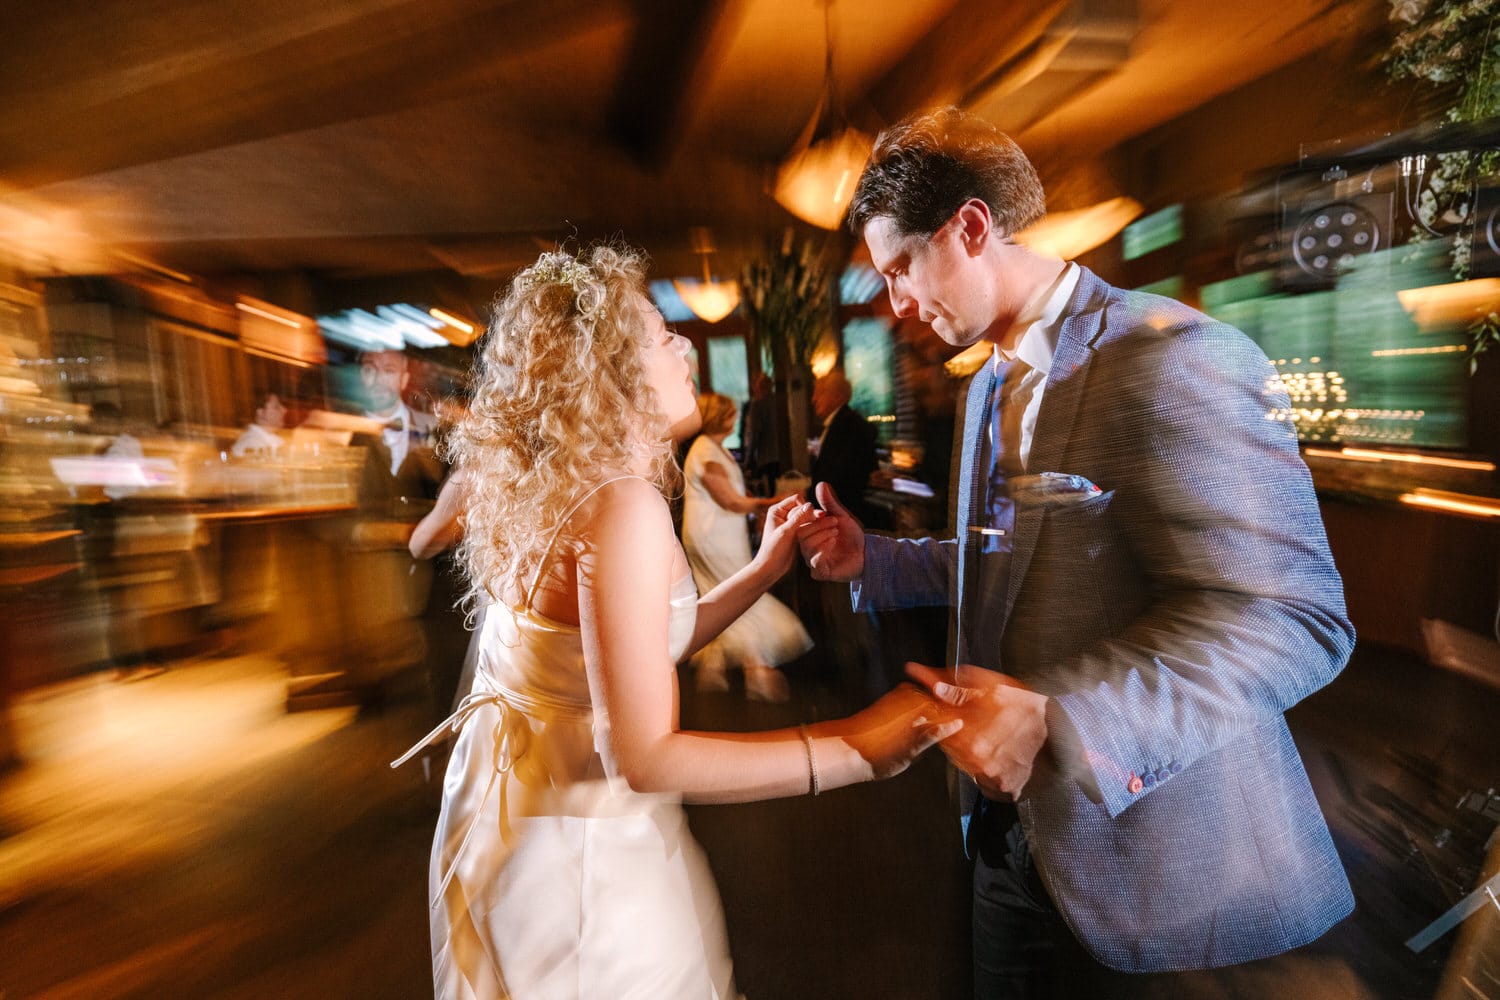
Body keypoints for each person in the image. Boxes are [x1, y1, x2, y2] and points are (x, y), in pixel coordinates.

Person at [799, 107, 1356, 997]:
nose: (896, 303)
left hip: (1158, 864)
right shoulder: (988, 381)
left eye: (901, 268)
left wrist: (1067, 722)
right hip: (1007, 843)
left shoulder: (1171, 357)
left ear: (972, 228)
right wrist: (882, 560)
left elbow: (1293, 617)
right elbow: (1014, 564)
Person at [392, 245, 958, 999]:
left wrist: (762, 572)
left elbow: (634, 653)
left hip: (518, 831)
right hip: (585, 872)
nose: (684, 346)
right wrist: (856, 747)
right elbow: (646, 757)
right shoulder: (619, 505)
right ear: (611, 372)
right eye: (662, 335)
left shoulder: (559, 487)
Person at [681, 391, 811, 702]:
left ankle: (713, 669)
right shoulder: (704, 451)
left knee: (723, 594)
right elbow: (730, 500)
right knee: (742, 594)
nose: (736, 418)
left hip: (723, 536)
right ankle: (758, 669)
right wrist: (770, 503)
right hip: (713, 539)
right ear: (721, 417)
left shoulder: (713, 448)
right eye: (731, 413)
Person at [807, 370, 879, 526]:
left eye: (819, 393)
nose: (813, 399)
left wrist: (807, 499)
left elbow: (835, 477)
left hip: (845, 515)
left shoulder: (847, 426)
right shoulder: (842, 423)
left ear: (837, 396)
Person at [229, 392, 287, 458]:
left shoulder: (268, 440)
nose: (284, 410)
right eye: (276, 407)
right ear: (260, 412)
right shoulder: (252, 445)